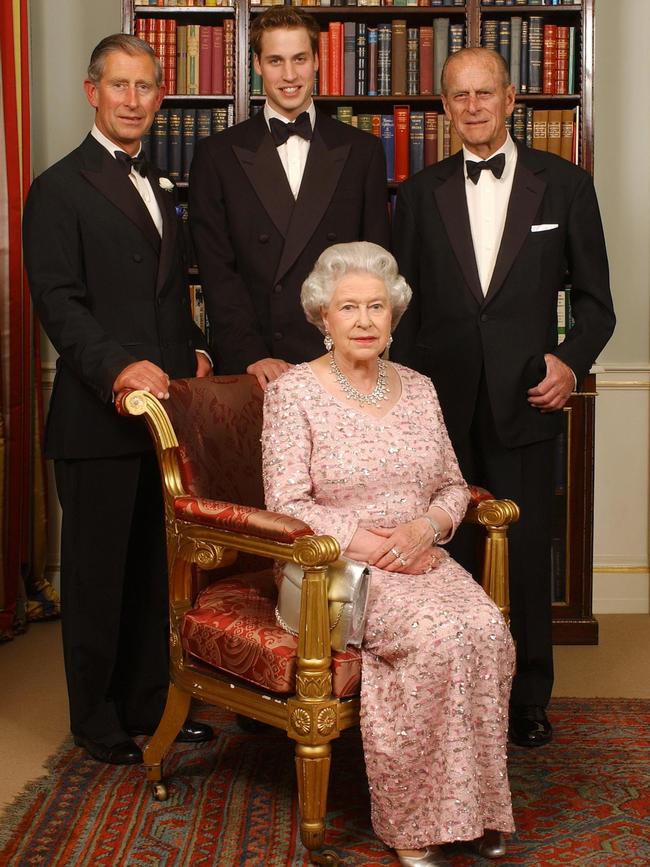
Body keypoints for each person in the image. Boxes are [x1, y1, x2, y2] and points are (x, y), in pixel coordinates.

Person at [262, 242, 515, 866]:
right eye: (349, 307)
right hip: (333, 568)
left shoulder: (421, 389)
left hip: (420, 555)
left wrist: (426, 529)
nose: (365, 320)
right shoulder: (293, 394)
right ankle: (414, 820)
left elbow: (454, 485)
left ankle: (476, 806)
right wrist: (377, 545)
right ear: (324, 317)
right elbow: (287, 501)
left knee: (485, 628)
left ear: (393, 315)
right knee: (433, 638)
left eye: (377, 306)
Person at [392, 47, 615, 748]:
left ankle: (527, 702)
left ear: (512, 99)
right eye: (459, 96)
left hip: (528, 402)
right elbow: (402, 309)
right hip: (440, 410)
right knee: (443, 560)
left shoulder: (567, 186)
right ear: (445, 107)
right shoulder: (420, 191)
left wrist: (569, 362)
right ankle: (452, 698)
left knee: (523, 556)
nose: (474, 107)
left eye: (486, 93)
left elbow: (597, 306)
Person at [23, 34, 214, 765]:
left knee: (150, 577)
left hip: (161, 421)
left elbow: (166, 296)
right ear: (91, 91)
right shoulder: (58, 188)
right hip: (96, 419)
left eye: (146, 88)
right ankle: (96, 718)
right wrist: (121, 368)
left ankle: (147, 704)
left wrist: (195, 347)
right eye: (120, 86)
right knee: (100, 578)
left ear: (160, 97)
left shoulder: (160, 187)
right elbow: (60, 303)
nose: (133, 100)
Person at [189, 6, 390, 390]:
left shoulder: (362, 151)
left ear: (317, 60)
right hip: (257, 365)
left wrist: (354, 350)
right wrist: (251, 355)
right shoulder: (216, 155)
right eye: (276, 61)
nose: (290, 75)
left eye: (300, 59)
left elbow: (373, 270)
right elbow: (218, 271)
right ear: (257, 65)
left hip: (342, 360)